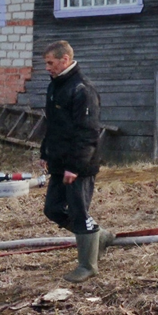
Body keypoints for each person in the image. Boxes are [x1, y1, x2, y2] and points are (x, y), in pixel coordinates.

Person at [39, 40, 113, 283]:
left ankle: (88, 265)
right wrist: (45, 154)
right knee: (52, 209)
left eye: (50, 63)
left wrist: (75, 166)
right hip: (59, 163)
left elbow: (88, 133)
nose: (47, 67)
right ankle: (98, 235)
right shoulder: (55, 87)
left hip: (78, 167)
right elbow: (53, 127)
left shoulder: (82, 90)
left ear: (65, 60)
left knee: (79, 212)